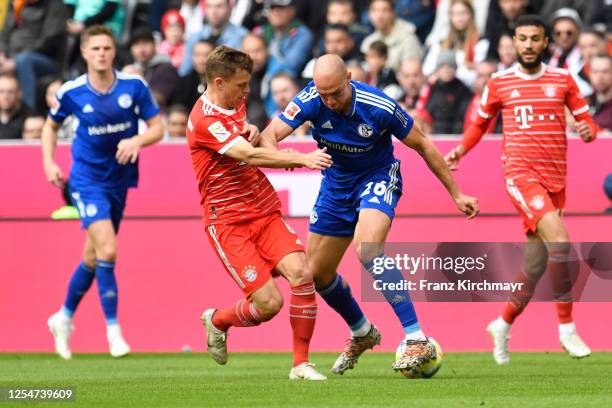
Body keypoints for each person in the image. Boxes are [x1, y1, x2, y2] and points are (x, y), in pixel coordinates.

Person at [261, 54, 479, 375]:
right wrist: (286, 156)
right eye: (324, 95)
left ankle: (415, 337)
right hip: (335, 186)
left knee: (367, 248)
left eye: (336, 92)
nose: (330, 101)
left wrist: (457, 193)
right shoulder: (310, 99)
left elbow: (424, 145)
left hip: (377, 177)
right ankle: (362, 331)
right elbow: (269, 135)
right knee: (318, 274)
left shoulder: (379, 106)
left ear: (349, 77)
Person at [445, 15, 598, 364]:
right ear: (514, 42)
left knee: (536, 263)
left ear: (546, 43)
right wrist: (461, 150)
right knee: (560, 242)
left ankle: (502, 323)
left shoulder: (563, 80)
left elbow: (585, 118)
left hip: (555, 179)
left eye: (535, 39)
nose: (528, 45)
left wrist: (588, 130)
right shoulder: (499, 83)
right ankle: (566, 328)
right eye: (522, 39)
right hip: (520, 174)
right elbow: (479, 124)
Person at [187, 45, 332, 380]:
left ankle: (301, 365)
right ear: (219, 83)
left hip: (263, 210)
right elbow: (249, 156)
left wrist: (250, 129)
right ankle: (219, 320)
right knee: (269, 305)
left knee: (303, 274)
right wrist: (300, 158)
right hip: (228, 222)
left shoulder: (234, 102)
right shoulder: (203, 120)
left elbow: (243, 138)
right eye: (241, 85)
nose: (247, 91)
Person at [42, 25, 164, 360]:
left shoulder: (133, 87)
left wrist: (137, 139)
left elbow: (158, 128)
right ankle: (114, 333)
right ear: (84, 52)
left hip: (120, 181)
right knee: (108, 251)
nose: (101, 54)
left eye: (106, 48)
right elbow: (49, 128)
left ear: (114, 52)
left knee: (92, 257)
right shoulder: (72, 92)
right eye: (95, 48)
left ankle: (63, 317)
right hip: (85, 181)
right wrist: (49, 163)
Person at [0, 73, 29, 139]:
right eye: (1, 92)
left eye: (10, 92)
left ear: (19, 93)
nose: (5, 96)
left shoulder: (28, 117)